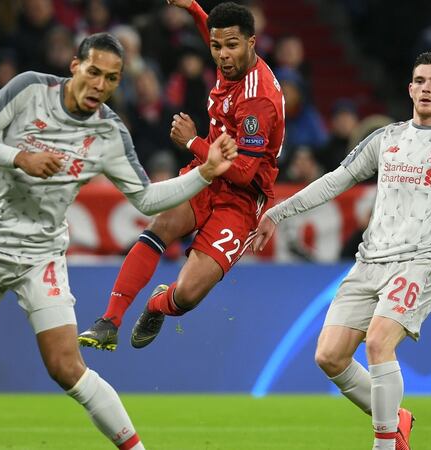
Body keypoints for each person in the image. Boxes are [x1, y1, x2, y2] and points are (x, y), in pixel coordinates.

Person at [0, 33, 238, 450]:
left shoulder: (110, 133)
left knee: (66, 367)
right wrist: (19, 157)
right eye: (94, 72)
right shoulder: (29, 89)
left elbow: (147, 198)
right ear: (75, 66)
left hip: (39, 257)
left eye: (112, 79)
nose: (100, 85)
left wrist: (204, 174)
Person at [253, 52, 431, 450]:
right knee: (329, 357)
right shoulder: (385, 139)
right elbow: (336, 180)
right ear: (410, 88)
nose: (427, 88)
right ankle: (395, 419)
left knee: (377, 342)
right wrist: (278, 212)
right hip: (368, 262)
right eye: (420, 80)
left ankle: (384, 444)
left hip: (416, 263)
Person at [78, 1, 284, 351]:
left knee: (187, 295)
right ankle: (109, 321)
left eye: (231, 45)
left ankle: (158, 304)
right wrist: (191, 6)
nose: (221, 55)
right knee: (160, 227)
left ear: (252, 42)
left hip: (243, 196)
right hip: (207, 175)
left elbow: (244, 172)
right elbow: (213, 31)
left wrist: (193, 142)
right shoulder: (231, 59)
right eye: (216, 47)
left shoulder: (257, 101)